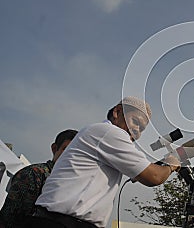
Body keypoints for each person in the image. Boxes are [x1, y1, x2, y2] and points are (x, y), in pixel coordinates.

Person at [33, 96, 181, 228]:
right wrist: (171, 165)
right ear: (117, 112)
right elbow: (154, 177)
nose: (136, 130)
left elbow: (140, 173)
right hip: (60, 222)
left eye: (141, 129)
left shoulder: (104, 137)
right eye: (135, 122)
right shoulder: (109, 132)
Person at [0, 129, 78, 228]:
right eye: (66, 150)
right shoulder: (34, 174)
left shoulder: (74, 183)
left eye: (76, 152)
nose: (72, 156)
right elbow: (9, 219)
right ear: (54, 149)